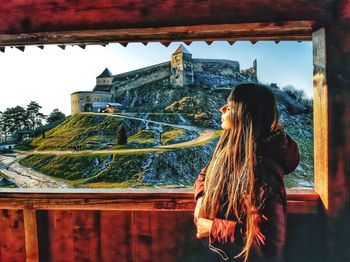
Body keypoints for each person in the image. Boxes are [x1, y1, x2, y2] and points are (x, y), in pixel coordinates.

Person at [193, 83, 300, 262]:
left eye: (229, 105)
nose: (222, 108)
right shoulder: (232, 150)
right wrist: (202, 197)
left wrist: (213, 229)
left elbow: (268, 244)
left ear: (242, 113)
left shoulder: (263, 168)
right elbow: (205, 173)